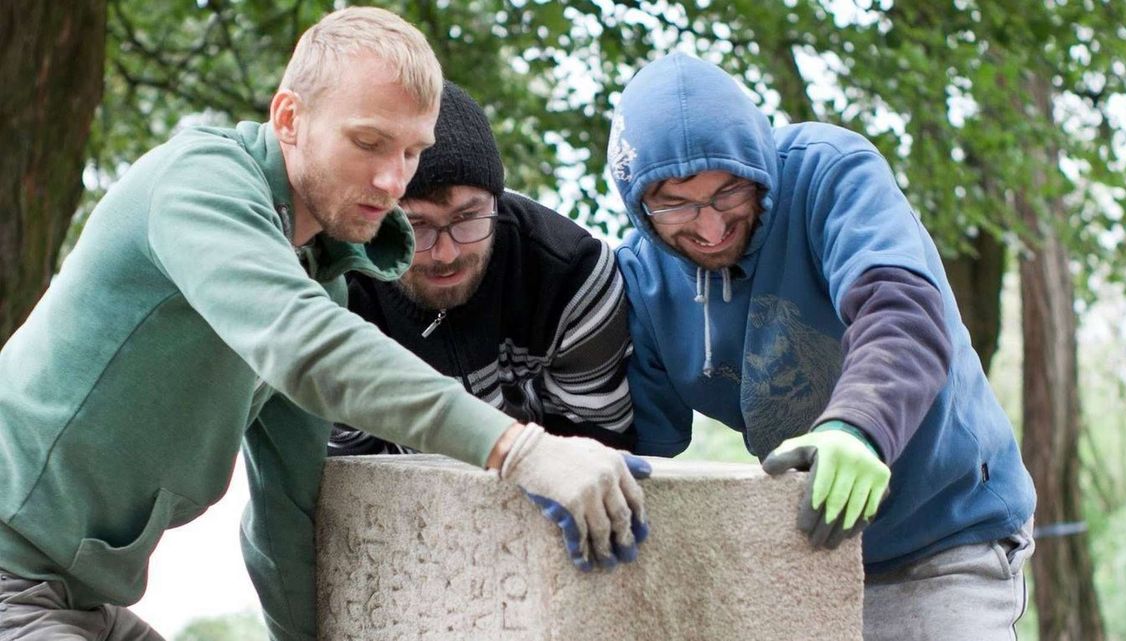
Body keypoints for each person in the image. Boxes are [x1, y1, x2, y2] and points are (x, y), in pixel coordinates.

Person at [0, 8, 649, 641]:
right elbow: (309, 345)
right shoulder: (199, 185)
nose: (393, 179)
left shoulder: (318, 278)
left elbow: (290, 511)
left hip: (77, 597)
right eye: (368, 142)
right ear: (290, 117)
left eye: (410, 152)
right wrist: (523, 449)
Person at [607, 52, 1035, 640]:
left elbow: (902, 311)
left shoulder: (832, 174)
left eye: (729, 191)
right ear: (638, 204)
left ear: (758, 165)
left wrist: (858, 427)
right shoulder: (642, 281)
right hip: (806, 551)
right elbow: (640, 446)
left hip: (946, 533)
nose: (709, 227)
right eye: (676, 204)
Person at [328, 81, 633, 458]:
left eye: (467, 217)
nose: (446, 252)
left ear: (497, 199)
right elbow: (341, 473)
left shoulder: (571, 274)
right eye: (415, 225)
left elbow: (600, 446)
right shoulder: (337, 290)